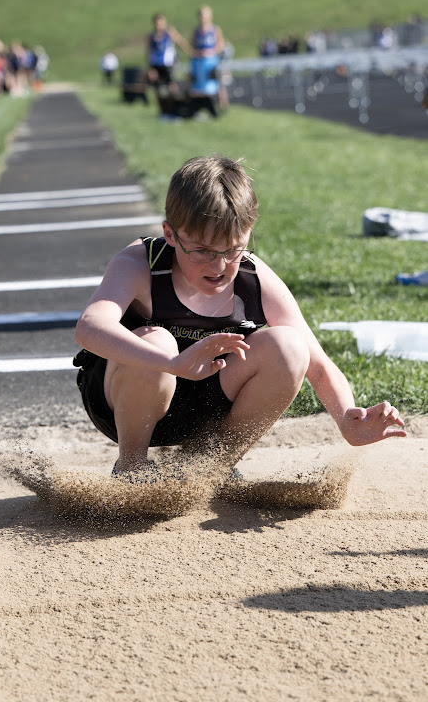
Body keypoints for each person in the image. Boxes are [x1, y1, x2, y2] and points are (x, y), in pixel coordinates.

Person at [74, 154, 407, 483]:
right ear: (170, 234)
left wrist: (347, 419)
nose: (218, 267)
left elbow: (317, 365)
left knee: (289, 346)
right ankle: (132, 468)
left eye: (233, 249)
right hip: (120, 404)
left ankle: (211, 466)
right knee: (157, 341)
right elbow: (89, 327)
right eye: (202, 251)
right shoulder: (141, 263)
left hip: (204, 408)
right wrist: (172, 363)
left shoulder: (254, 277)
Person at [190, 5, 228, 110]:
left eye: (204, 15)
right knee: (197, 83)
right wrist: (197, 53)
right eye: (201, 15)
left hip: (212, 61)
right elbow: (192, 47)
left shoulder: (215, 29)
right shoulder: (196, 31)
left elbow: (221, 45)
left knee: (217, 82)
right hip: (200, 62)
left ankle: (223, 105)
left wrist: (211, 52)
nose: (202, 17)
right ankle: (199, 106)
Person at [146, 13, 190, 92]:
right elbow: (149, 51)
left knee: (171, 85)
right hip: (155, 64)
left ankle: (174, 97)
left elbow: (180, 42)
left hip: (167, 64)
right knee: (153, 82)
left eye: (161, 24)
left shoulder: (169, 33)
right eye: (157, 24)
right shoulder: (152, 36)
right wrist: (150, 66)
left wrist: (190, 52)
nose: (159, 26)